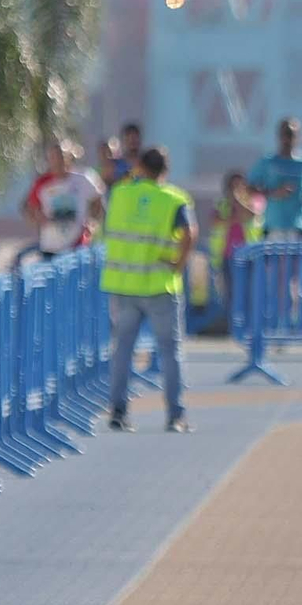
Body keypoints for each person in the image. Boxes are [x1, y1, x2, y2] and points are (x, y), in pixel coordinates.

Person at [101, 146, 196, 434]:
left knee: (123, 350)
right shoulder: (174, 198)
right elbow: (190, 233)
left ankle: (118, 412)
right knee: (170, 351)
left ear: (140, 166)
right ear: (166, 170)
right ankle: (175, 416)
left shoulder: (119, 193)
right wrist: (178, 264)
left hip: (124, 286)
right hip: (160, 286)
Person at [24, 138, 105, 258]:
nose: (57, 161)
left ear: (68, 158)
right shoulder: (42, 183)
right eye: (53, 157)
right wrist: (38, 218)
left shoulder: (83, 179)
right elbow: (29, 209)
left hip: (77, 245)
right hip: (50, 247)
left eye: (60, 157)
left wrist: (93, 223)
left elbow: (98, 202)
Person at [248, 117, 302, 239]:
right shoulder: (267, 162)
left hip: (299, 227)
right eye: (285, 134)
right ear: (279, 136)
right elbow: (250, 187)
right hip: (273, 227)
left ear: (299, 137)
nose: (288, 139)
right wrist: (273, 193)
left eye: (292, 135)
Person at [207, 171, 264, 317]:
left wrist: (238, 202)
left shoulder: (254, 201)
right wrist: (234, 217)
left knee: (249, 291)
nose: (236, 189)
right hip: (226, 255)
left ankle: (249, 321)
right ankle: (233, 322)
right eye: (233, 186)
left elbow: (250, 215)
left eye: (239, 185)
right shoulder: (221, 204)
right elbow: (215, 221)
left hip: (249, 255)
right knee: (230, 293)